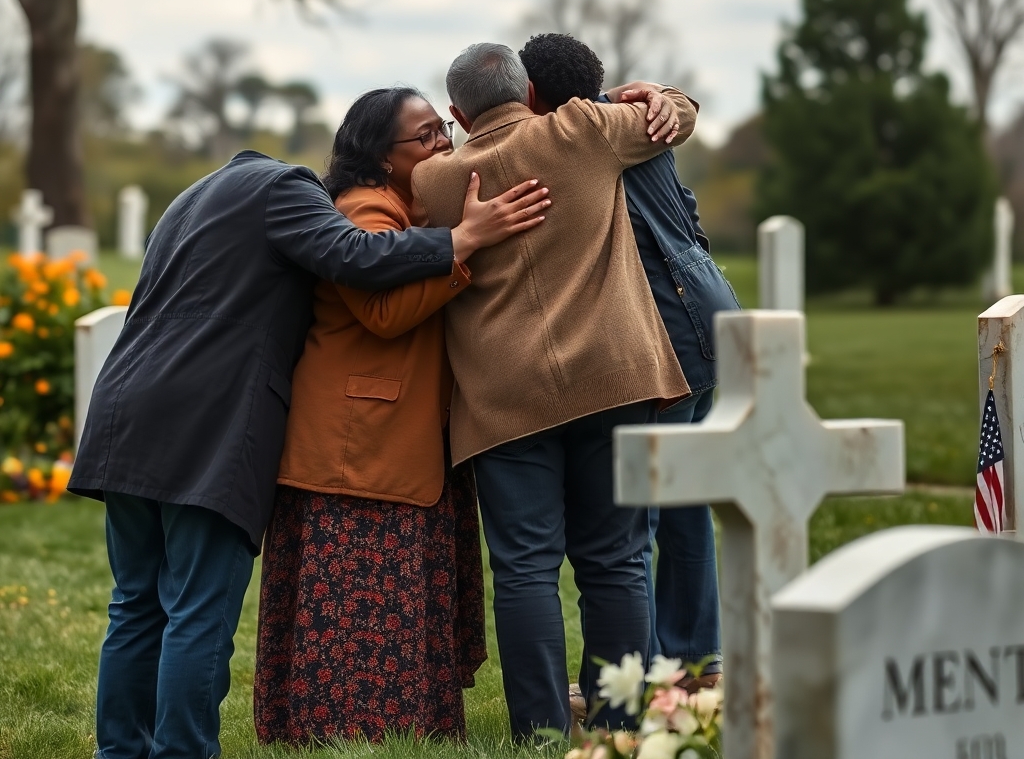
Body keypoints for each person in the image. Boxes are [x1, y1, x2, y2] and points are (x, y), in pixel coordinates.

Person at [68, 146, 549, 759]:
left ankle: (119, 752)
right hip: (206, 420)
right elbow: (358, 255)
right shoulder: (284, 187)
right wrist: (462, 237)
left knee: (134, 602)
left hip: (126, 407)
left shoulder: (191, 198)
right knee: (197, 608)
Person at [412, 42, 696, 739]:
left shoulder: (436, 184)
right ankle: (622, 726)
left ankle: (539, 733)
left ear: (457, 112)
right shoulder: (583, 130)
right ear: (530, 89)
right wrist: (660, 97)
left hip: (505, 402)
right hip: (613, 379)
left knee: (525, 570)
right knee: (620, 559)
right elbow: (681, 117)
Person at [254, 88, 543, 744]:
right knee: (362, 615)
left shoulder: (410, 210)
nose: (444, 143)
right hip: (356, 455)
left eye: (443, 128)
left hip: (400, 446)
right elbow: (382, 315)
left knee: (400, 613)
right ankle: (349, 738)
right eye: (426, 136)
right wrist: (463, 248)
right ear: (382, 158)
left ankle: (412, 735)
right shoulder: (363, 210)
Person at [519, 33, 741, 686]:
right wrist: (663, 96)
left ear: (532, 94)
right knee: (682, 491)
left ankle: (655, 665)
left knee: (643, 504)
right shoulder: (633, 119)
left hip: (669, 331)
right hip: (711, 310)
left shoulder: (582, 137)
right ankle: (694, 653)